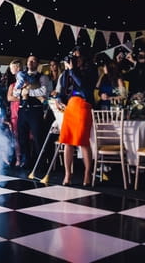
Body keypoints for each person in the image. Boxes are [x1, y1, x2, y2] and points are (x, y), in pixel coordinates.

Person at [57, 48, 97, 186]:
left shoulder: (91, 70)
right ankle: (68, 174)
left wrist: (73, 70)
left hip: (84, 105)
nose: (74, 59)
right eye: (73, 57)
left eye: (77, 57)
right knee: (67, 141)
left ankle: (87, 173)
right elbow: (63, 88)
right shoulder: (69, 72)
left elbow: (84, 86)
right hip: (71, 106)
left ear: (84, 58)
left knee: (83, 141)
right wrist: (59, 99)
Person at [13, 54, 50, 168]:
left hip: (35, 110)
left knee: (38, 137)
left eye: (34, 61)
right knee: (22, 137)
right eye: (29, 61)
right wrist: (22, 92)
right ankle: (26, 161)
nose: (31, 63)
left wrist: (28, 92)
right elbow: (15, 92)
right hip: (23, 110)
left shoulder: (42, 77)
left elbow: (43, 91)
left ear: (37, 64)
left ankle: (41, 163)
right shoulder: (21, 76)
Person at [6, 59, 23, 167]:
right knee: (16, 137)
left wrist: (16, 98)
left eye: (12, 67)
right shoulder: (12, 85)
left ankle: (26, 157)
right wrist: (20, 98)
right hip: (14, 113)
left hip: (22, 111)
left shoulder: (23, 81)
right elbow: (9, 97)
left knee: (26, 136)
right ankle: (18, 158)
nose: (11, 70)